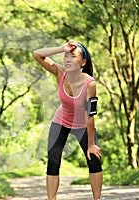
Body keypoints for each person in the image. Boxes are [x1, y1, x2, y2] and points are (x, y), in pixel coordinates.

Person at [33, 40, 103, 200]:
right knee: (53, 161)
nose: (68, 59)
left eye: (73, 56)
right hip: (61, 121)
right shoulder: (60, 72)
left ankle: (98, 199)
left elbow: (90, 115)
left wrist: (91, 144)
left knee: (94, 159)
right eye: (66, 55)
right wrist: (61, 48)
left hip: (83, 124)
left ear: (83, 62)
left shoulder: (89, 83)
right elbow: (37, 54)